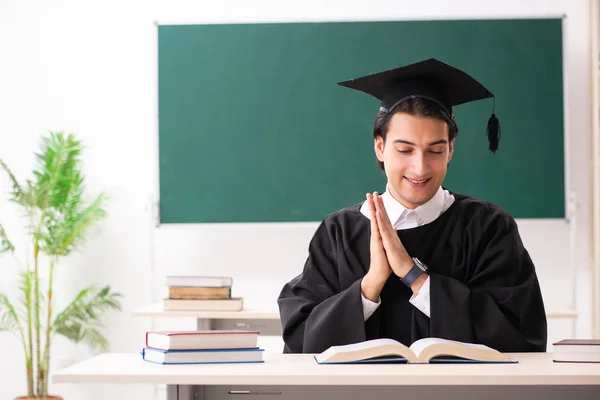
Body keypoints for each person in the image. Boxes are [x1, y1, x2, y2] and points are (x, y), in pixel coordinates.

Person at [276, 58, 548, 354]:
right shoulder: (339, 232)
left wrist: (414, 276)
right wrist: (371, 284)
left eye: (435, 150)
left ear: (451, 150)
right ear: (380, 147)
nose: (419, 168)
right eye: (404, 149)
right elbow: (301, 339)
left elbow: (518, 334)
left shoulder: (488, 228)